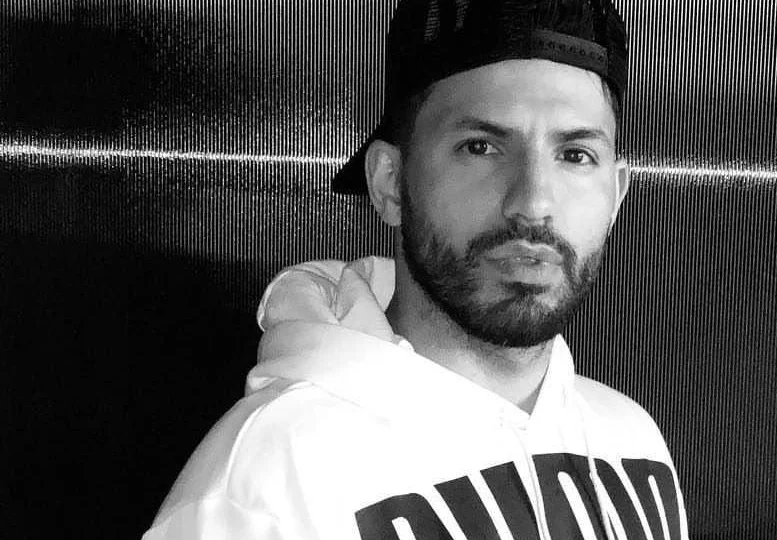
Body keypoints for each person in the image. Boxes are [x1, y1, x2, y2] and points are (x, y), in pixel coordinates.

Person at [144, 0, 688, 538]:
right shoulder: (267, 486)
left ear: (616, 196)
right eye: (481, 147)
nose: (533, 202)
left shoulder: (632, 443)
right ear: (389, 183)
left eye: (575, 155)